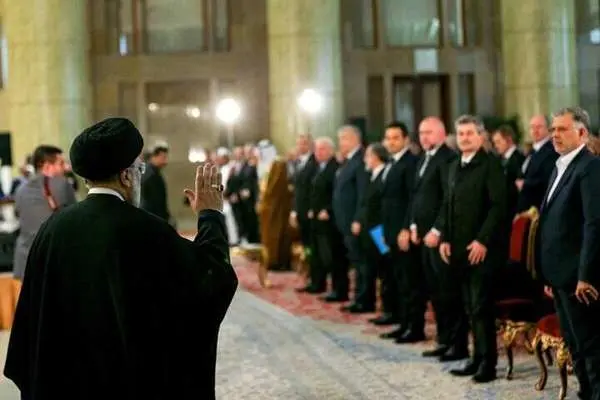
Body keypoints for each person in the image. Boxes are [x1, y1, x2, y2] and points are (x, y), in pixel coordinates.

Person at [4, 118, 238, 400]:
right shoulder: (146, 229)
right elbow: (209, 280)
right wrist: (210, 216)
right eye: (139, 169)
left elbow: (33, 325)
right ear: (127, 176)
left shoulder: (52, 229)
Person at [436, 114, 506, 383]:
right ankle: (476, 358)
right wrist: (444, 237)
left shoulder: (491, 165)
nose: (464, 138)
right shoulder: (453, 165)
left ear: (481, 136)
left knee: (480, 307)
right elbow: (448, 204)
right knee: (468, 306)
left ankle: (488, 363)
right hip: (457, 248)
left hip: (482, 250)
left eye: (469, 133)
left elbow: (498, 207)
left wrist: (483, 240)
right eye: (461, 133)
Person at [540, 107, 600, 400]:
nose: (555, 135)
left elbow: (594, 224)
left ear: (582, 133)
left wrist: (585, 276)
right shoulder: (560, 165)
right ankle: (585, 392)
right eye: (553, 129)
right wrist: (549, 275)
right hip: (560, 274)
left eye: (562, 129)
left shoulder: (590, 167)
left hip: (579, 276)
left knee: (590, 344)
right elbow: (551, 222)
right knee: (574, 342)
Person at [13, 145, 76, 281]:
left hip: (25, 263)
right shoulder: (63, 184)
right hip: (53, 263)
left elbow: (17, 214)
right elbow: (76, 218)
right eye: (61, 163)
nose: (66, 168)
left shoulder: (20, 190)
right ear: (47, 166)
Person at [334, 125, 368, 313]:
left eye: (343, 139)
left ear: (354, 139)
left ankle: (364, 299)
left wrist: (358, 219)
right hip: (345, 221)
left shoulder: (360, 160)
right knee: (355, 262)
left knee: (361, 262)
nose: (340, 143)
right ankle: (358, 297)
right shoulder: (348, 161)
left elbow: (363, 193)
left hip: (355, 222)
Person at [307, 137, 347, 301]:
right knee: (319, 254)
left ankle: (339, 289)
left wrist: (327, 210)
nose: (318, 152)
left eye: (322, 149)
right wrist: (312, 209)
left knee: (334, 256)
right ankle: (319, 283)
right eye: (316, 149)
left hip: (330, 220)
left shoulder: (335, 167)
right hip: (317, 219)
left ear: (331, 150)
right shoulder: (319, 168)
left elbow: (336, 194)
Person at [257, 158, 293, 276]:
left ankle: (274, 260)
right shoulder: (284, 184)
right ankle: (279, 261)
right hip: (278, 217)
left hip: (273, 217)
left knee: (275, 239)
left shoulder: (273, 184)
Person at [141, 144, 171, 223]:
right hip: (152, 218)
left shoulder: (152, 172)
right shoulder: (150, 174)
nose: (166, 161)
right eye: (163, 157)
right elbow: (155, 200)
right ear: (154, 157)